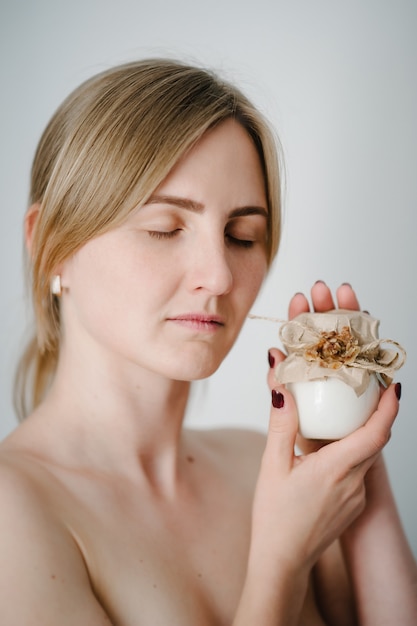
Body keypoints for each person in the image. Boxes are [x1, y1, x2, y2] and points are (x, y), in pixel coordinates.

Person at [0, 58, 416, 626]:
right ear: (51, 246)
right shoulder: (14, 511)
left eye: (242, 236)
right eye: (164, 229)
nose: (219, 277)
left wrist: (354, 435)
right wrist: (279, 564)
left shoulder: (267, 467)